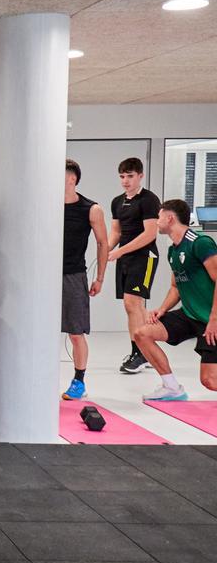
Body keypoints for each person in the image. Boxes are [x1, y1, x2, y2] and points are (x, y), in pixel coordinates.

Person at [135, 199, 217, 400]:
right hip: (190, 314)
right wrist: (162, 309)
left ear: (170, 218)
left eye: (159, 216)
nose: (157, 221)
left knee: (210, 381)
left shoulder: (200, 243)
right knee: (142, 333)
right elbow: (176, 286)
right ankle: (172, 387)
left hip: (212, 318)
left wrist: (214, 319)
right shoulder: (173, 251)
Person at [61, 159, 109, 400]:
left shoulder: (91, 209)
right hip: (45, 276)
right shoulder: (46, 205)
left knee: (76, 333)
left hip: (74, 275)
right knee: (40, 331)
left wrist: (99, 278)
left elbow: (103, 243)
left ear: (72, 179)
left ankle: (79, 381)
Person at [108, 158, 161, 374]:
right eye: (122, 176)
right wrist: (106, 250)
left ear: (140, 176)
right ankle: (146, 350)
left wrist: (120, 251)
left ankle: (139, 353)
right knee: (134, 306)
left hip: (144, 256)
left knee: (132, 303)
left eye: (130, 176)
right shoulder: (117, 202)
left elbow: (150, 233)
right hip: (125, 258)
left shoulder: (149, 200)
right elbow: (116, 232)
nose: (125, 181)